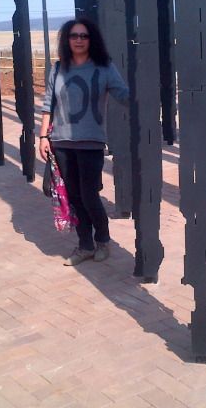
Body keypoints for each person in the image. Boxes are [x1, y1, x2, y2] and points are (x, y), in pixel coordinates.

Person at [39, 17, 129, 266]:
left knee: (89, 195)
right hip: (61, 143)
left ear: (92, 40)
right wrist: (43, 136)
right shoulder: (58, 68)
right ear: (67, 40)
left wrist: (146, 92)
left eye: (84, 36)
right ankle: (85, 245)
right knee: (74, 197)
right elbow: (48, 105)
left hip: (91, 142)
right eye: (74, 36)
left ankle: (103, 240)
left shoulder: (104, 67)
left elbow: (123, 95)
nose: (79, 40)